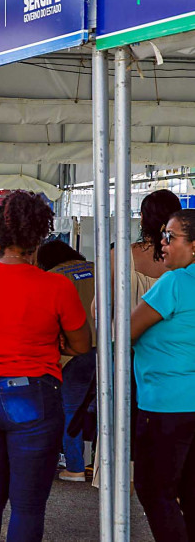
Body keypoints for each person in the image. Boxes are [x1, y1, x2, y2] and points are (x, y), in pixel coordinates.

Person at [0, 190, 90, 542]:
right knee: (27, 505)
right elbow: (81, 343)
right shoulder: (57, 286)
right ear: (40, 237)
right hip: (32, 393)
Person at [130, 208, 195, 540]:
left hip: (165, 406)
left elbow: (126, 330)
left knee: (155, 490)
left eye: (170, 237)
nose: (163, 244)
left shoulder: (175, 282)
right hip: (188, 406)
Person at [37, 239, 97, 484]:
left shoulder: (53, 276)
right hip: (108, 349)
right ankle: (99, 463)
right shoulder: (97, 268)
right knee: (104, 407)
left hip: (72, 353)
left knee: (70, 409)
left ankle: (75, 466)